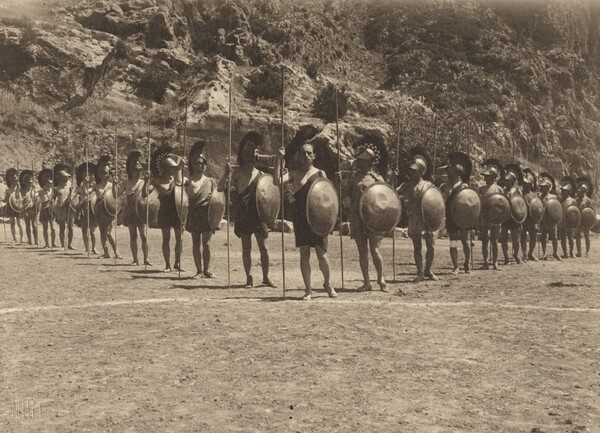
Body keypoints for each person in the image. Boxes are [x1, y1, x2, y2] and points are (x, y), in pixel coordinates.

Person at [274, 139, 337, 300]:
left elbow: (328, 198)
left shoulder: (321, 173)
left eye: (309, 153)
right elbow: (276, 181)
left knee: (322, 254)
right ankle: (308, 290)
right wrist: (278, 159)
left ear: (314, 156)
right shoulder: (294, 174)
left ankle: (328, 284)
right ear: (298, 156)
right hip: (301, 217)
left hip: (319, 218)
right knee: (304, 254)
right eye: (303, 153)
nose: (306, 155)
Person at [217, 131, 276, 288]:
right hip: (244, 213)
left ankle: (266, 277)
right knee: (246, 247)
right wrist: (226, 173)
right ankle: (249, 277)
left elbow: (271, 194)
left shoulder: (262, 175)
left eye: (254, 150)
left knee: (264, 247)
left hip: (259, 214)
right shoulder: (236, 173)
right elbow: (220, 187)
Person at [342, 134, 389, 291]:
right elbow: (344, 194)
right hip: (357, 218)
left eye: (361, 160)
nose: (358, 162)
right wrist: (339, 181)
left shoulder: (377, 178)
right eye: (358, 160)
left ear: (368, 162)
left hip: (373, 219)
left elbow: (386, 197)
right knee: (362, 251)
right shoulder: (354, 179)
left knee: (375, 250)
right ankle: (366, 282)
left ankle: (381, 279)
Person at [396, 147, 438, 282]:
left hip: (428, 218)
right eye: (411, 170)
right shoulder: (406, 185)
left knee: (431, 247)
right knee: (417, 247)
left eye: (414, 171)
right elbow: (392, 193)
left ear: (421, 171)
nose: (411, 173)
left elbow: (436, 201)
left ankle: (428, 270)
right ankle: (420, 272)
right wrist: (393, 177)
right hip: (414, 218)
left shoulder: (428, 185)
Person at [151, 144, 185, 272]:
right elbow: (146, 192)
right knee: (166, 239)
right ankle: (168, 265)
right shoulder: (158, 181)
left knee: (179, 238)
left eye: (174, 168)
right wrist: (148, 181)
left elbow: (181, 184)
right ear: (165, 169)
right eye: (170, 168)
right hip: (165, 211)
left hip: (177, 211)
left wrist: (181, 167)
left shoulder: (178, 179)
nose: (172, 170)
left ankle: (177, 262)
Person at [186, 140, 217, 279]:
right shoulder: (189, 180)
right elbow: (178, 185)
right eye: (197, 163)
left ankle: (207, 270)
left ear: (205, 165)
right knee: (196, 243)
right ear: (193, 164)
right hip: (193, 214)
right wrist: (180, 166)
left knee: (207, 244)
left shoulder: (210, 181)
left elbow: (217, 198)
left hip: (206, 215)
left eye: (202, 163)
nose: (200, 165)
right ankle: (199, 270)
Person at [440, 151, 473, 275]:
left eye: (451, 171)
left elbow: (470, 202)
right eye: (448, 171)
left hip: (463, 217)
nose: (448, 173)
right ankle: (455, 266)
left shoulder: (464, 186)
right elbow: (437, 199)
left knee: (465, 241)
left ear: (458, 173)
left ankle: (467, 263)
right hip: (451, 217)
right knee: (453, 242)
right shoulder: (444, 187)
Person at [119, 151, 151, 266]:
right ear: (130, 171)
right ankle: (135, 259)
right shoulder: (126, 183)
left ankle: (146, 259)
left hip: (140, 212)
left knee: (144, 236)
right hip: (130, 212)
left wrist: (147, 181)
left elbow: (146, 194)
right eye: (133, 170)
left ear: (141, 171)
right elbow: (116, 194)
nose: (136, 172)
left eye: (138, 170)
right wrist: (114, 184)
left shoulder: (143, 182)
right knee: (133, 236)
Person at [478, 158, 505, 270]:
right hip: (485, 217)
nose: (486, 178)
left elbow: (503, 204)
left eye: (488, 176)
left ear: (493, 177)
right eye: (485, 176)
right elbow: (478, 203)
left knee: (494, 240)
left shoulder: (499, 189)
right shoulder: (481, 189)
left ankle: (495, 262)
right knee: (485, 240)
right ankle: (486, 262)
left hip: (496, 218)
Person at [94, 155, 122, 259]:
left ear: (109, 174)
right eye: (101, 173)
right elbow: (87, 193)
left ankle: (117, 252)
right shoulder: (96, 186)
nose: (103, 175)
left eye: (105, 173)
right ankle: (106, 252)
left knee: (109, 232)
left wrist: (115, 184)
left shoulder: (111, 185)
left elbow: (115, 195)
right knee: (102, 231)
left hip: (108, 211)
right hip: (99, 211)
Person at [500, 164, 524, 265]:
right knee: (504, 238)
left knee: (515, 239)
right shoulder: (503, 190)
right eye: (505, 180)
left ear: (512, 181)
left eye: (508, 180)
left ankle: (516, 255)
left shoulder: (518, 190)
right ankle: (506, 257)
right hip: (505, 217)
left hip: (515, 217)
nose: (506, 182)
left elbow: (521, 204)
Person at [74, 162, 99, 255]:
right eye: (85, 174)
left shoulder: (95, 185)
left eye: (89, 174)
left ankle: (94, 248)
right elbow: (75, 195)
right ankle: (87, 248)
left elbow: (90, 193)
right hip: (83, 210)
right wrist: (70, 193)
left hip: (92, 209)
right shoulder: (80, 187)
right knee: (84, 230)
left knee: (92, 231)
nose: (87, 176)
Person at [538, 172, 561, 261]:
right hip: (543, 220)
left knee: (554, 237)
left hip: (552, 221)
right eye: (541, 187)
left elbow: (557, 208)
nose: (542, 189)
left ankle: (555, 252)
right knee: (543, 237)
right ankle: (544, 253)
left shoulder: (553, 196)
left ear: (548, 187)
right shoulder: (539, 197)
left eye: (544, 187)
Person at [53, 163, 76, 250]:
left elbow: (74, 196)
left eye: (67, 177)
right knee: (62, 227)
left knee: (70, 227)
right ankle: (63, 245)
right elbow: (53, 198)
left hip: (70, 207)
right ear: (61, 178)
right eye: (64, 177)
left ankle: (70, 244)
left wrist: (71, 192)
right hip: (61, 209)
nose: (67, 178)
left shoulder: (71, 187)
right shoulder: (57, 188)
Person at [520, 168, 539, 262]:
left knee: (533, 236)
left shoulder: (534, 195)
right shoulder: (519, 193)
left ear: (530, 185)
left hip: (532, 219)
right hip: (523, 218)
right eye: (524, 184)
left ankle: (531, 253)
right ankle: (524, 254)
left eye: (527, 184)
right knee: (523, 236)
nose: (525, 186)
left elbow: (537, 207)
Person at [558, 175, 577, 259]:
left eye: (565, 191)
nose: (563, 192)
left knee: (571, 238)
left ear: (568, 192)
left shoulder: (572, 200)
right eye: (562, 190)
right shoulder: (560, 200)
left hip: (570, 222)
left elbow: (576, 212)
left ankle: (571, 252)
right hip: (562, 221)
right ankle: (565, 253)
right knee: (563, 238)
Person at [37, 168, 57, 248]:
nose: (50, 185)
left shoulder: (53, 191)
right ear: (45, 184)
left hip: (51, 210)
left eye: (51, 183)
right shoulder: (40, 192)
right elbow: (34, 196)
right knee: (45, 228)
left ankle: (53, 243)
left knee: (53, 228)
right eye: (49, 183)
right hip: (44, 210)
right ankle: (47, 244)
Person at [575, 176, 593, 257]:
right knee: (578, 236)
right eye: (579, 191)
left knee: (586, 236)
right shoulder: (576, 200)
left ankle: (587, 252)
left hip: (586, 220)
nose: (580, 193)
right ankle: (579, 252)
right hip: (579, 220)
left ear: (584, 192)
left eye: (582, 191)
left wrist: (590, 221)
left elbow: (591, 210)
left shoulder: (587, 200)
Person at [18, 169, 38, 245]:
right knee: (28, 225)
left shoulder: (34, 190)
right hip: (25, 209)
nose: (29, 184)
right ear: (25, 183)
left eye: (30, 182)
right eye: (28, 183)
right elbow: (18, 197)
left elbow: (37, 197)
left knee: (34, 224)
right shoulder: (22, 190)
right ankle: (30, 240)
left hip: (33, 209)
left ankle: (36, 240)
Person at [4, 168, 24, 243]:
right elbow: (6, 200)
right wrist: (2, 200)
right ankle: (14, 238)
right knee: (12, 223)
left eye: (15, 179)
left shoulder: (20, 188)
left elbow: (20, 196)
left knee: (19, 223)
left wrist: (18, 187)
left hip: (18, 206)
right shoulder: (7, 190)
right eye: (12, 179)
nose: (14, 180)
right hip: (10, 207)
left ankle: (22, 238)